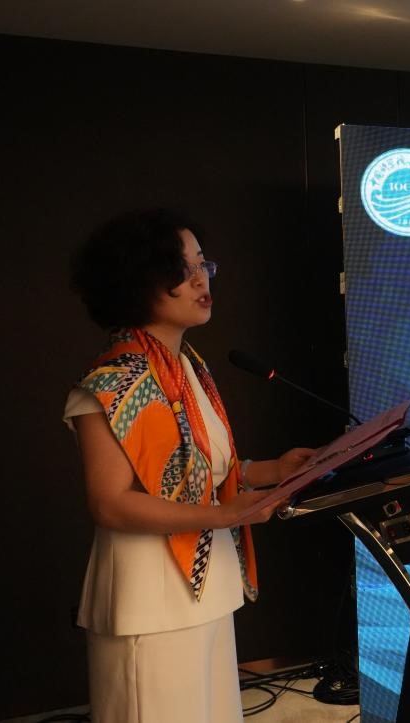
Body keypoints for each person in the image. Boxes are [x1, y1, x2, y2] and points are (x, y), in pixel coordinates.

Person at [63, 208, 314, 722]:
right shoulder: (111, 381)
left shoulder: (185, 365)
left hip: (207, 584)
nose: (201, 280)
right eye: (182, 269)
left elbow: (198, 473)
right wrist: (225, 515)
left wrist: (272, 470)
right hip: (148, 598)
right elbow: (110, 504)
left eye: (203, 264)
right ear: (137, 281)